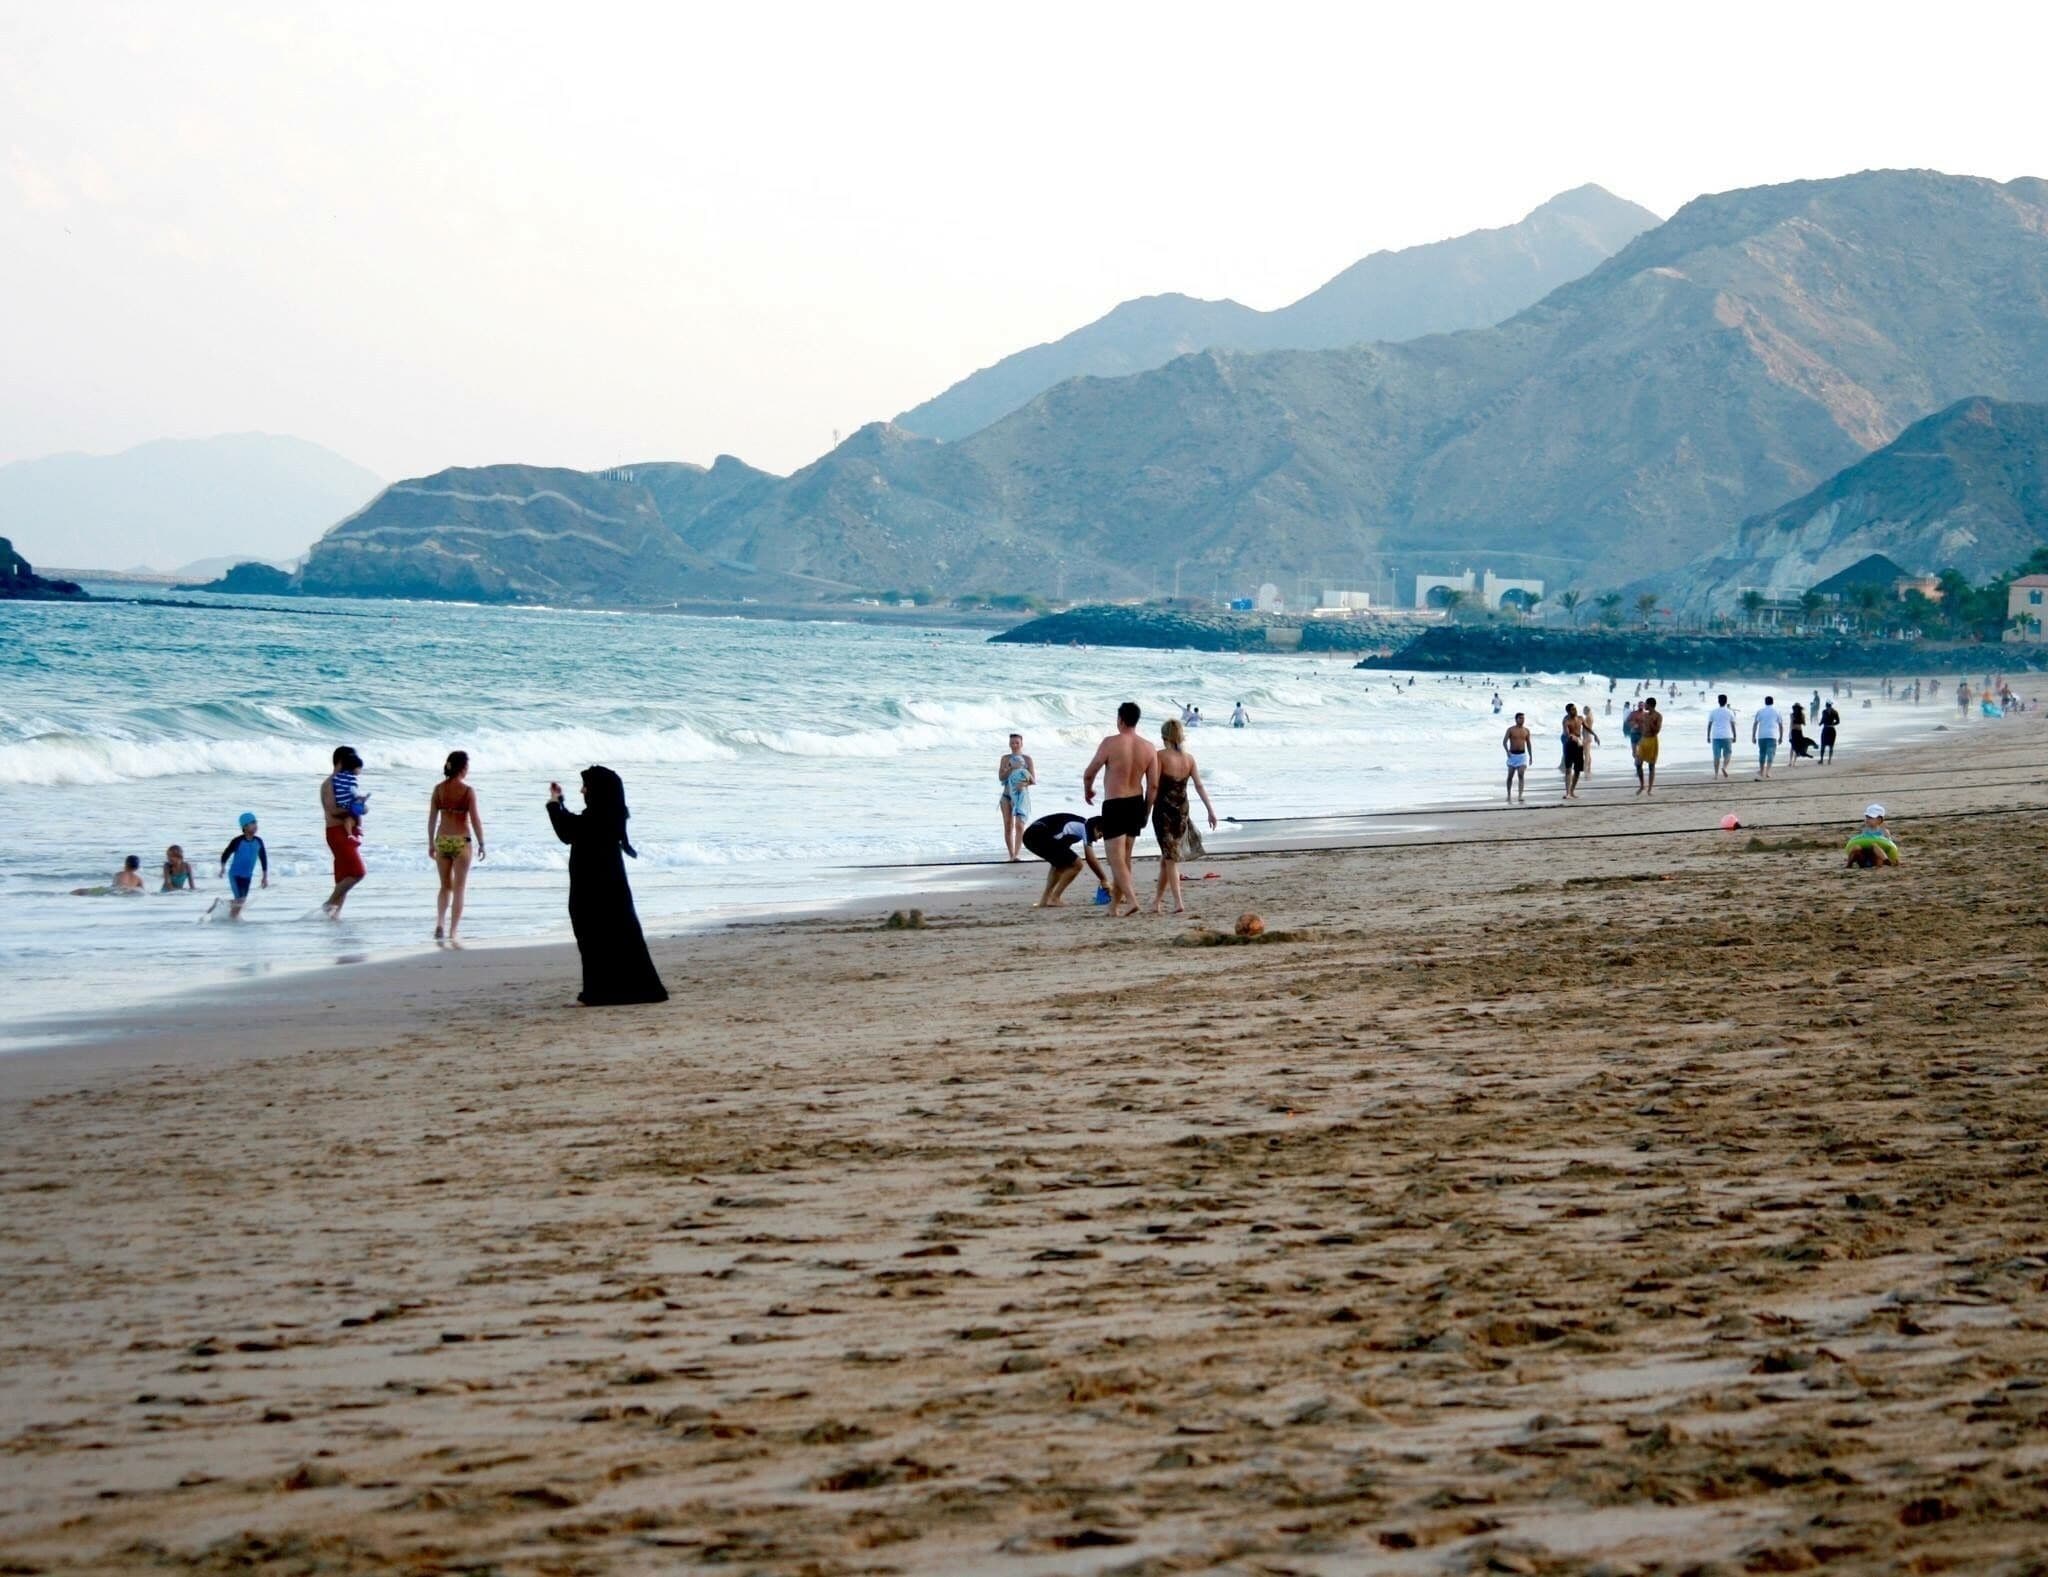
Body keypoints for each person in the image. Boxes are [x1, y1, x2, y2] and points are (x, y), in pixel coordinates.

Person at [546, 766, 667, 1006]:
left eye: (586, 786)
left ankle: (599, 992)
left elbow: (567, 831)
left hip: (592, 887)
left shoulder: (597, 818)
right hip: (610, 886)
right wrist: (559, 803)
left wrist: (553, 804)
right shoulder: (608, 816)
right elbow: (575, 826)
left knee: (593, 936)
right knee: (618, 935)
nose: (582, 790)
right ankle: (629, 989)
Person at [1083, 701, 1158, 918]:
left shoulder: (1110, 743)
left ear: (1120, 720)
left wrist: (1088, 791)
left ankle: (1132, 900)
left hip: (1115, 803)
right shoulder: (1149, 747)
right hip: (1136, 802)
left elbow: (1090, 772)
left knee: (1115, 860)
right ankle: (1114, 907)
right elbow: (1153, 785)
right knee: (1124, 860)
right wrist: (1146, 810)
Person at [1150, 717, 1218, 915]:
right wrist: (1210, 810)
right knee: (1167, 858)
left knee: (1170, 859)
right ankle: (1156, 902)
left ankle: (1178, 902)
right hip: (1182, 812)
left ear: (1164, 737)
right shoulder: (1189, 759)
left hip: (1164, 812)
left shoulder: (1160, 756)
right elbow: (1199, 786)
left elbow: (1153, 786)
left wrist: (1145, 810)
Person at [428, 750, 486, 941]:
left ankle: (440, 923)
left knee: (445, 886)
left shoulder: (438, 789)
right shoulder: (468, 791)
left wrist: (430, 842)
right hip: (461, 841)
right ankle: (453, 932)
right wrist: (481, 843)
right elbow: (475, 819)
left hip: (442, 840)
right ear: (463, 768)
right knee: (459, 888)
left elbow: (432, 819)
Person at [319, 745, 369, 918]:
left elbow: (354, 804)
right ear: (341, 761)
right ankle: (329, 904)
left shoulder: (346, 782)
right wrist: (353, 809)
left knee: (344, 877)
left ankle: (334, 917)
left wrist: (361, 807)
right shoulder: (329, 783)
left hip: (348, 832)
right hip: (336, 832)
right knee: (358, 872)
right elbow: (333, 810)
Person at [1024, 811, 1107, 906]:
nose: (1096, 840)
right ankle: (1055, 898)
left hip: (1029, 836)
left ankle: (1044, 900)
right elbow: (1090, 859)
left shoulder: (1077, 828)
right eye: (1100, 836)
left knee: (1060, 865)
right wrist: (1103, 879)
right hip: (1038, 835)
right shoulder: (1087, 828)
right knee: (1078, 865)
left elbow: (1062, 853)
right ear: (1096, 828)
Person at [217, 812, 269, 920]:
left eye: (256, 823)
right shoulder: (238, 841)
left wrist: (264, 877)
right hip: (235, 875)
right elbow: (226, 853)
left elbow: (263, 859)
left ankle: (229, 915)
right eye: (252, 823)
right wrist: (222, 868)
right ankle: (227, 912)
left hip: (247, 876)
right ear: (244, 826)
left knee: (241, 901)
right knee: (239, 900)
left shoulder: (258, 841)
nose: (255, 825)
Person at [996, 733, 1034, 861]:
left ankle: (1016, 854)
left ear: (1021, 743)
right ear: (1009, 744)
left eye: (1017, 742)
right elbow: (1001, 778)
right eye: (1012, 742)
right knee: (1008, 826)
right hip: (1006, 796)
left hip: (1020, 796)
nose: (1014, 745)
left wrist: (1023, 784)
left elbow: (1033, 780)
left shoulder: (1027, 759)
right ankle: (1011, 855)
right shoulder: (1005, 758)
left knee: (1019, 825)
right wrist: (1010, 769)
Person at [1844, 804, 1900, 868]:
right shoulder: (1865, 830)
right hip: (1865, 857)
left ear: (1879, 820)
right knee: (1856, 847)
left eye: (1870, 818)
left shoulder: (1884, 831)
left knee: (1874, 845)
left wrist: (1895, 859)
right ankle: (1849, 864)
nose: (1867, 819)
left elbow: (1890, 846)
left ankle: (1887, 861)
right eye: (1866, 817)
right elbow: (1861, 841)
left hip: (1876, 859)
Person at [72, 856, 147, 896]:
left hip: (116, 890)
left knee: (78, 891)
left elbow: (114, 886)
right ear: (137, 867)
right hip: (130, 892)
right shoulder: (139, 879)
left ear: (125, 864)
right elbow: (143, 891)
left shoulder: (119, 874)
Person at [1705, 693, 1737, 779]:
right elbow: (1733, 725)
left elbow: (1709, 725)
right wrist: (1735, 736)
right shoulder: (1730, 712)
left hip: (1716, 736)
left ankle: (1716, 774)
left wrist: (1708, 736)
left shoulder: (1713, 712)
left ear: (1718, 701)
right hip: (1727, 736)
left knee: (1716, 756)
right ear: (1726, 702)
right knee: (1728, 754)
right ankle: (1724, 767)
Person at [1752, 695, 1784, 778]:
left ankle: (1761, 771)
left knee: (1762, 753)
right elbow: (1780, 725)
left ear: (1765, 702)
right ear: (1773, 702)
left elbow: (1755, 724)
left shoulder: (1760, 711)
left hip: (1761, 735)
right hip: (1772, 735)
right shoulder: (1777, 711)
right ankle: (1768, 771)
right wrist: (1781, 737)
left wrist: (1753, 736)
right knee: (1771, 753)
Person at [1635, 697, 1663, 793]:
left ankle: (1649, 789)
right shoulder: (1645, 715)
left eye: (1646, 704)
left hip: (1652, 741)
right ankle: (1642, 785)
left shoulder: (1658, 716)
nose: (1644, 706)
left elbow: (1657, 731)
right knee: (1638, 764)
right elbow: (1642, 728)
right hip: (1643, 740)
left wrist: (1651, 722)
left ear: (1650, 705)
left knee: (1651, 765)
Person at [1502, 711, 1531, 803]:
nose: (1522, 720)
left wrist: (1531, 756)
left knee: (1521, 774)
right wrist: (1507, 752)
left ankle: (1520, 795)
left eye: (1523, 718)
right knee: (1510, 775)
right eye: (1520, 718)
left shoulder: (1526, 730)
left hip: (1522, 756)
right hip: (1512, 755)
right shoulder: (1510, 730)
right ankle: (1508, 795)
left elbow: (1528, 744)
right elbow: (1504, 742)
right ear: (1516, 719)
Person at [1560, 704, 1585, 799]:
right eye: (1573, 709)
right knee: (1568, 769)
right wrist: (1572, 737)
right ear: (1568, 711)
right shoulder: (1566, 720)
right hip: (1569, 745)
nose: (1575, 710)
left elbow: (1586, 727)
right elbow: (1566, 733)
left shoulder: (1580, 718)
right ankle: (1567, 793)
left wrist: (1594, 735)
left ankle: (1572, 791)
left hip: (1579, 746)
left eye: (1575, 709)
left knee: (1577, 770)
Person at [1623, 698, 1647, 789]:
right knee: (1634, 753)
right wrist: (1633, 724)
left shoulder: (1646, 714)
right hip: (1634, 734)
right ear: (1638, 706)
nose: (1641, 706)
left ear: (1644, 706)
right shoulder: (1633, 713)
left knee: (1640, 752)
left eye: (1642, 705)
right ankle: (1637, 762)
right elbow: (1627, 721)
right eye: (1640, 705)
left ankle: (1638, 767)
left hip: (1642, 735)